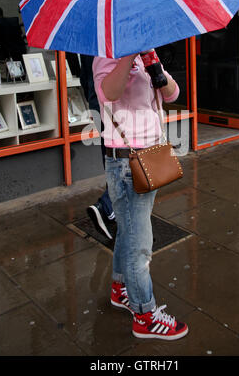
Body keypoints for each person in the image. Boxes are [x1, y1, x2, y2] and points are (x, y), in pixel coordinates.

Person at [92, 50, 189, 340]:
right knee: (140, 244)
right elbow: (108, 93)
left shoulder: (147, 57)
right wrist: (127, 58)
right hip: (126, 162)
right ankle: (145, 315)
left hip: (151, 155)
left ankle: (120, 288)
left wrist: (156, 70)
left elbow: (173, 95)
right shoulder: (105, 58)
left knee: (130, 230)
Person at [79, 54, 115, 240]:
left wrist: (92, 100)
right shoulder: (110, 41)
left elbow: (83, 75)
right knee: (122, 162)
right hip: (117, 109)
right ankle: (106, 206)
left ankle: (112, 207)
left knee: (110, 158)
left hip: (98, 104)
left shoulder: (90, 36)